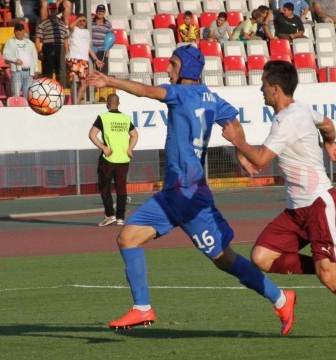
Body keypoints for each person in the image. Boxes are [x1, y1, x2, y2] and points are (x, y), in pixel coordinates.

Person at [87, 45, 296, 333]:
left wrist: (110, 81)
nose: (167, 69)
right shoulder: (212, 97)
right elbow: (232, 122)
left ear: (185, 70)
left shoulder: (180, 94)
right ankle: (142, 308)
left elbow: (146, 91)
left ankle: (282, 298)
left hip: (190, 197)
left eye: (172, 64)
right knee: (127, 239)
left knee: (225, 259)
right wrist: (240, 151)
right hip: (172, 194)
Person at [221, 60, 336, 341]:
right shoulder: (299, 109)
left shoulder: (287, 120)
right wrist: (329, 143)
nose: (260, 90)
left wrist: (237, 140)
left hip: (319, 204)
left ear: (276, 89)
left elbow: (261, 160)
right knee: (261, 257)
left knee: (330, 276)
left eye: (263, 85)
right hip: (296, 210)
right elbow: (327, 124)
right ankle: (327, 266)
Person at [88, 93, 138, 227]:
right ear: (119, 104)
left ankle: (109, 215)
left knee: (105, 188)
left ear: (107, 105)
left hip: (108, 158)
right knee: (121, 188)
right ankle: (120, 217)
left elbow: (92, 135)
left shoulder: (103, 118)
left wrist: (104, 147)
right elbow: (134, 135)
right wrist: (130, 149)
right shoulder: (126, 119)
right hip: (123, 158)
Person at [67, 14, 103, 104]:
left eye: (84, 21)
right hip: (74, 59)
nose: (82, 22)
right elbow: (70, 26)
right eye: (80, 20)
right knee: (74, 82)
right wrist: (78, 18)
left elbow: (89, 47)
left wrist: (96, 59)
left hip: (84, 60)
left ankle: (77, 103)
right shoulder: (74, 29)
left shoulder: (87, 32)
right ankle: (74, 102)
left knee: (84, 83)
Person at [35, 4, 69, 87]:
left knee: (61, 71)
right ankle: (47, 89)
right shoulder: (43, 23)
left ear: (57, 10)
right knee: (48, 71)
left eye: (54, 9)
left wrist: (66, 53)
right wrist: (39, 51)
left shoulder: (62, 23)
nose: (52, 11)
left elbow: (66, 40)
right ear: (48, 11)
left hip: (60, 48)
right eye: (50, 9)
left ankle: (61, 90)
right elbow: (37, 38)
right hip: (48, 47)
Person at [3, 23, 39, 97]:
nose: (19, 32)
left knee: (27, 94)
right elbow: (5, 55)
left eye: (21, 30)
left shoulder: (29, 42)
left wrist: (36, 69)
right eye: (17, 31)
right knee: (16, 93)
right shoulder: (10, 42)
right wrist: (15, 60)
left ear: (23, 31)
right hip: (17, 72)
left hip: (29, 72)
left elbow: (34, 56)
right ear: (14, 32)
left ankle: (26, 107)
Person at [91, 4, 113, 74]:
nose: (100, 13)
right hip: (92, 51)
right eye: (99, 11)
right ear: (96, 11)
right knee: (91, 72)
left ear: (104, 13)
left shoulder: (108, 24)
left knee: (103, 73)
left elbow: (111, 38)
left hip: (102, 51)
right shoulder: (90, 22)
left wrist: (107, 51)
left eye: (102, 11)